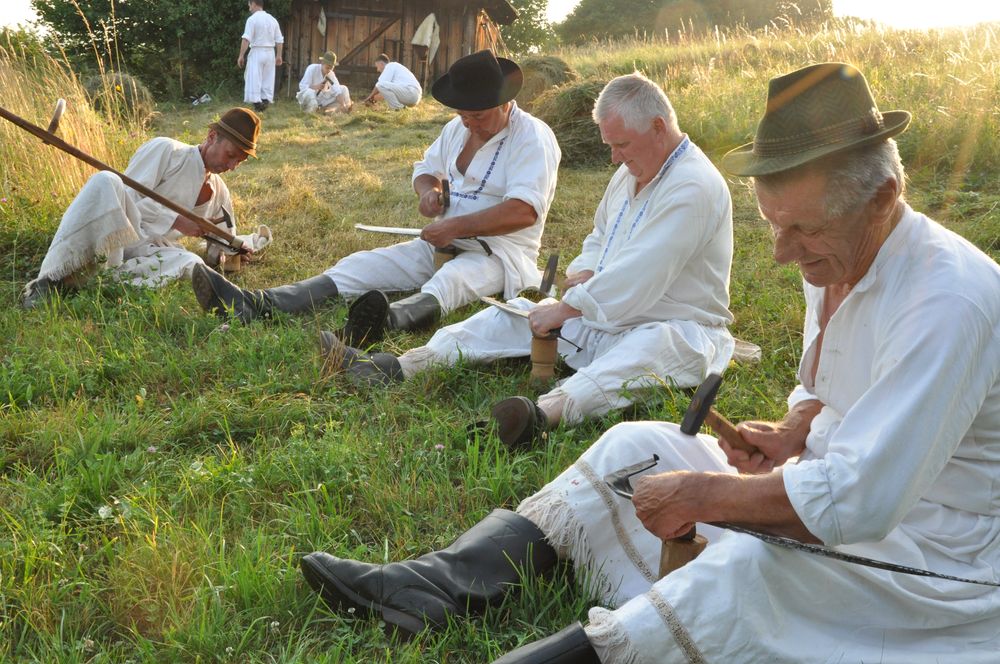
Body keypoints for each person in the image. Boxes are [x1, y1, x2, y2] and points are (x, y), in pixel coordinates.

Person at [299, 62, 1000, 663]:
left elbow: (859, 501)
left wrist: (705, 495)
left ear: (883, 198)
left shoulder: (949, 302)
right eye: (774, 226)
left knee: (756, 564)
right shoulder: (838, 253)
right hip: (837, 485)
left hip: (943, 555)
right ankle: (436, 584)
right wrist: (795, 429)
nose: (783, 254)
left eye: (803, 230)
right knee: (634, 444)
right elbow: (827, 387)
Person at [324, 72, 735, 448]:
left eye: (621, 145)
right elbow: (599, 235)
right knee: (513, 313)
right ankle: (399, 366)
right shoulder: (631, 171)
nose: (614, 158)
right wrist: (584, 270)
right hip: (604, 314)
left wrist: (567, 308)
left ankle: (536, 417)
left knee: (646, 352)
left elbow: (642, 273)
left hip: (675, 327)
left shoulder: (693, 186)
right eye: (610, 146)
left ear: (658, 127)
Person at [191, 50, 560, 334]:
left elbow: (524, 211)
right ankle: (255, 303)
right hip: (441, 241)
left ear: (503, 102)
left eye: (477, 116)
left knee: (451, 283)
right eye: (463, 114)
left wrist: (456, 227)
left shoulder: (532, 137)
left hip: (497, 254)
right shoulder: (457, 128)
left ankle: (376, 327)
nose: (468, 122)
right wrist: (428, 193)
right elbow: (425, 170)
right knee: (359, 266)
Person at [21, 108, 263, 309]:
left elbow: (221, 243)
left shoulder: (220, 192)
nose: (232, 165)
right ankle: (49, 282)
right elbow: (123, 199)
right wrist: (176, 220)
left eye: (239, 161)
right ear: (212, 136)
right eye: (230, 155)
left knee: (191, 261)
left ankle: (100, 282)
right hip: (116, 237)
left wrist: (233, 251)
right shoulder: (167, 150)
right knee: (106, 180)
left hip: (149, 253)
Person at [239, 0, 283, 113]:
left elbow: (246, 39)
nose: (249, 7)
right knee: (267, 78)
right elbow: (279, 39)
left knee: (254, 78)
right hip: (270, 53)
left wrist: (241, 55)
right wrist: (279, 55)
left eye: (249, 4)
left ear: (253, 3)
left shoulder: (252, 19)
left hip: (257, 51)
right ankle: (264, 103)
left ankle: (258, 105)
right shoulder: (272, 19)